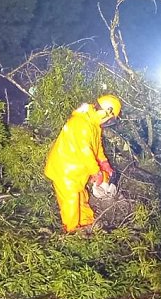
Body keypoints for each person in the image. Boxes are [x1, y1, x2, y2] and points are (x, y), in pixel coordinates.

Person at [44, 94, 122, 233]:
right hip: (64, 169)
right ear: (106, 112)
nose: (108, 122)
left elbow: (97, 148)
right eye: (109, 119)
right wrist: (95, 171)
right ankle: (71, 232)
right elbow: (85, 151)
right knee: (71, 202)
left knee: (82, 196)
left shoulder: (93, 125)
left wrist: (104, 163)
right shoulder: (80, 123)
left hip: (76, 170)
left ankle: (86, 223)